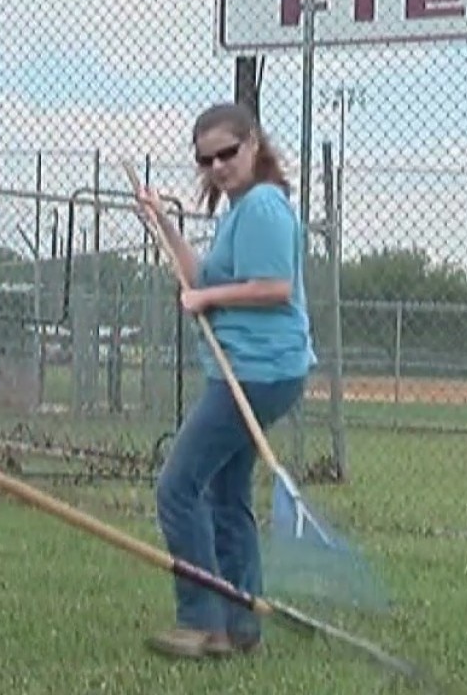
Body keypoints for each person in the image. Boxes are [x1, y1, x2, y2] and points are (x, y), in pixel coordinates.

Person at [136, 102, 316, 659]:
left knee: (177, 489)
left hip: (260, 372)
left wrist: (207, 299)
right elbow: (199, 277)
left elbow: (274, 288)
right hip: (251, 372)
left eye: (227, 154)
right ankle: (241, 628)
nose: (217, 167)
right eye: (205, 159)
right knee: (224, 494)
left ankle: (204, 622)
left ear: (253, 146)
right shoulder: (238, 211)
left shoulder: (263, 205)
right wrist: (164, 224)